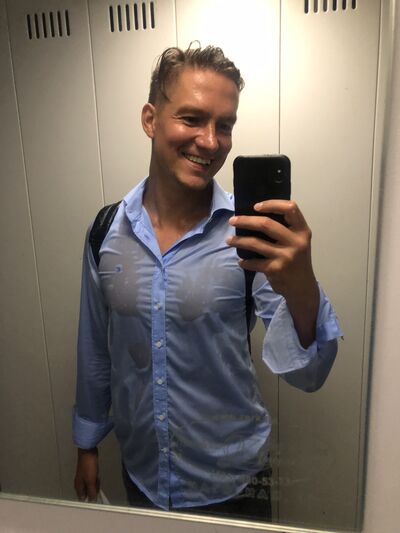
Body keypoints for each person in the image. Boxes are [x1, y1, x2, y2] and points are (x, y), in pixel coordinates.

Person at [73, 44, 342, 520]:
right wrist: (87, 444)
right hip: (142, 477)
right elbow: (97, 349)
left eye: (225, 125)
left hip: (234, 485)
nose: (211, 142)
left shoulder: (249, 234)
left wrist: (302, 281)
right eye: (192, 119)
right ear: (150, 119)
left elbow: (308, 374)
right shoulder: (106, 230)